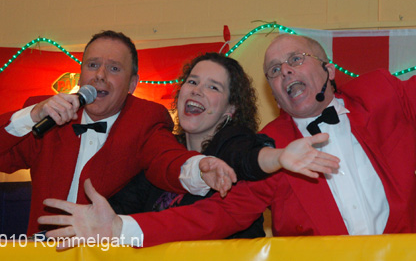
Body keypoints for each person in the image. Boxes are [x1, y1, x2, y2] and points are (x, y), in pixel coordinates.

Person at [39, 32, 416, 247]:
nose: (285, 72)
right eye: (274, 70)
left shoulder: (383, 97)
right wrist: (121, 229)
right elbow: (214, 216)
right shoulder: (271, 147)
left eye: (295, 60)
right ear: (273, 94)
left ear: (327, 69)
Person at [0, 30, 237, 235]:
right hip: (44, 251)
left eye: (114, 68)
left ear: (131, 84)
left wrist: (200, 169)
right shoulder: (48, 113)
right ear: (81, 74)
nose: (100, 75)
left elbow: (166, 160)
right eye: (92, 65)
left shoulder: (144, 118)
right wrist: (32, 115)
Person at [107, 53, 340, 239]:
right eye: (193, 82)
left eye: (213, 87)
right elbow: (121, 208)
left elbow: (246, 157)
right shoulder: (165, 154)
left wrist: (277, 157)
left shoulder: (234, 143)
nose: (197, 90)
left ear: (230, 109)